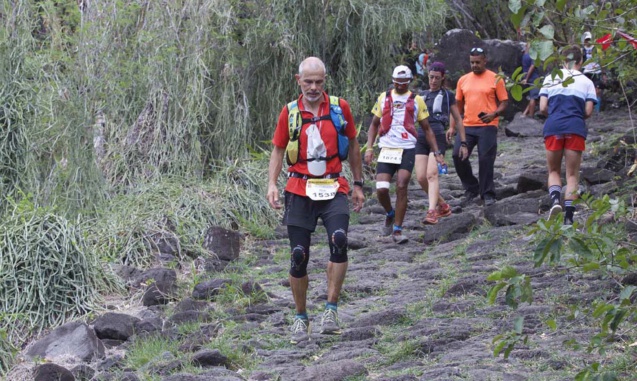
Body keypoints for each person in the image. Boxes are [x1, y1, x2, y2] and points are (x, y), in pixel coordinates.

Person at [266, 57, 365, 344]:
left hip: (334, 185)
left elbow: (354, 144)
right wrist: (272, 183)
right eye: (308, 82)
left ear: (325, 80)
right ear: (298, 80)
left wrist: (358, 184)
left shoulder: (339, 108)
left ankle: (331, 310)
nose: (313, 87)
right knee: (299, 255)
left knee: (339, 238)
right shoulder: (290, 112)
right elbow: (278, 149)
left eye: (318, 82)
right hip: (299, 188)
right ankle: (300, 316)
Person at [364, 65, 444, 243]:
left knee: (401, 185)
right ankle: (390, 213)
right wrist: (369, 148)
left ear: (409, 82)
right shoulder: (384, 98)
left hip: (407, 148)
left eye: (404, 82)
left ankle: (398, 230)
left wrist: (436, 152)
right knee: (382, 188)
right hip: (386, 148)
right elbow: (374, 124)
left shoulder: (417, 100)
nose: (400, 85)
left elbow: (427, 128)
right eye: (397, 82)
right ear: (393, 81)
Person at [538, 46, 596, 225]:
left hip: (554, 126)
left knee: (554, 170)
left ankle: (555, 201)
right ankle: (569, 216)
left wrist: (556, 115)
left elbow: (542, 108)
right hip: (575, 127)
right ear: (580, 61)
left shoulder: (550, 78)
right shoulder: (587, 82)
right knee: (572, 175)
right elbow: (588, 111)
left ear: (562, 60)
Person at [453, 47, 509, 206]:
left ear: (485, 61)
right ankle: (471, 187)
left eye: (478, 62)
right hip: (467, 126)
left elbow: (504, 102)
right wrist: (453, 126)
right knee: (458, 155)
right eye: (472, 62)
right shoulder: (463, 80)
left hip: (487, 125)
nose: (475, 65)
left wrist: (494, 114)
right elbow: (458, 105)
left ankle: (488, 194)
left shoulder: (495, 78)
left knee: (486, 159)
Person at [415, 62, 468, 224]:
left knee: (432, 174)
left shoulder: (447, 95)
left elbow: (458, 118)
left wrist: (463, 141)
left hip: (437, 135)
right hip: (421, 135)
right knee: (421, 178)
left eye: (437, 78)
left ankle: (432, 212)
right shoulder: (420, 95)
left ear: (442, 78)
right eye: (431, 77)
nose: (433, 81)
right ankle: (442, 204)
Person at [581, 31, 603, 113]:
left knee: (597, 90)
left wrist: (603, 72)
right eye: (586, 40)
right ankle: (587, 108)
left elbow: (601, 60)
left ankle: (597, 109)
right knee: (585, 90)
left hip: (596, 71)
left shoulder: (597, 48)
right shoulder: (582, 50)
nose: (588, 42)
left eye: (589, 40)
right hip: (586, 71)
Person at [521, 42, 540, 117]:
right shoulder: (532, 56)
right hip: (533, 78)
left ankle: (524, 114)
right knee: (533, 98)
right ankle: (531, 117)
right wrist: (526, 78)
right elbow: (532, 67)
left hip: (527, 78)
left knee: (532, 96)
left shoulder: (524, 55)